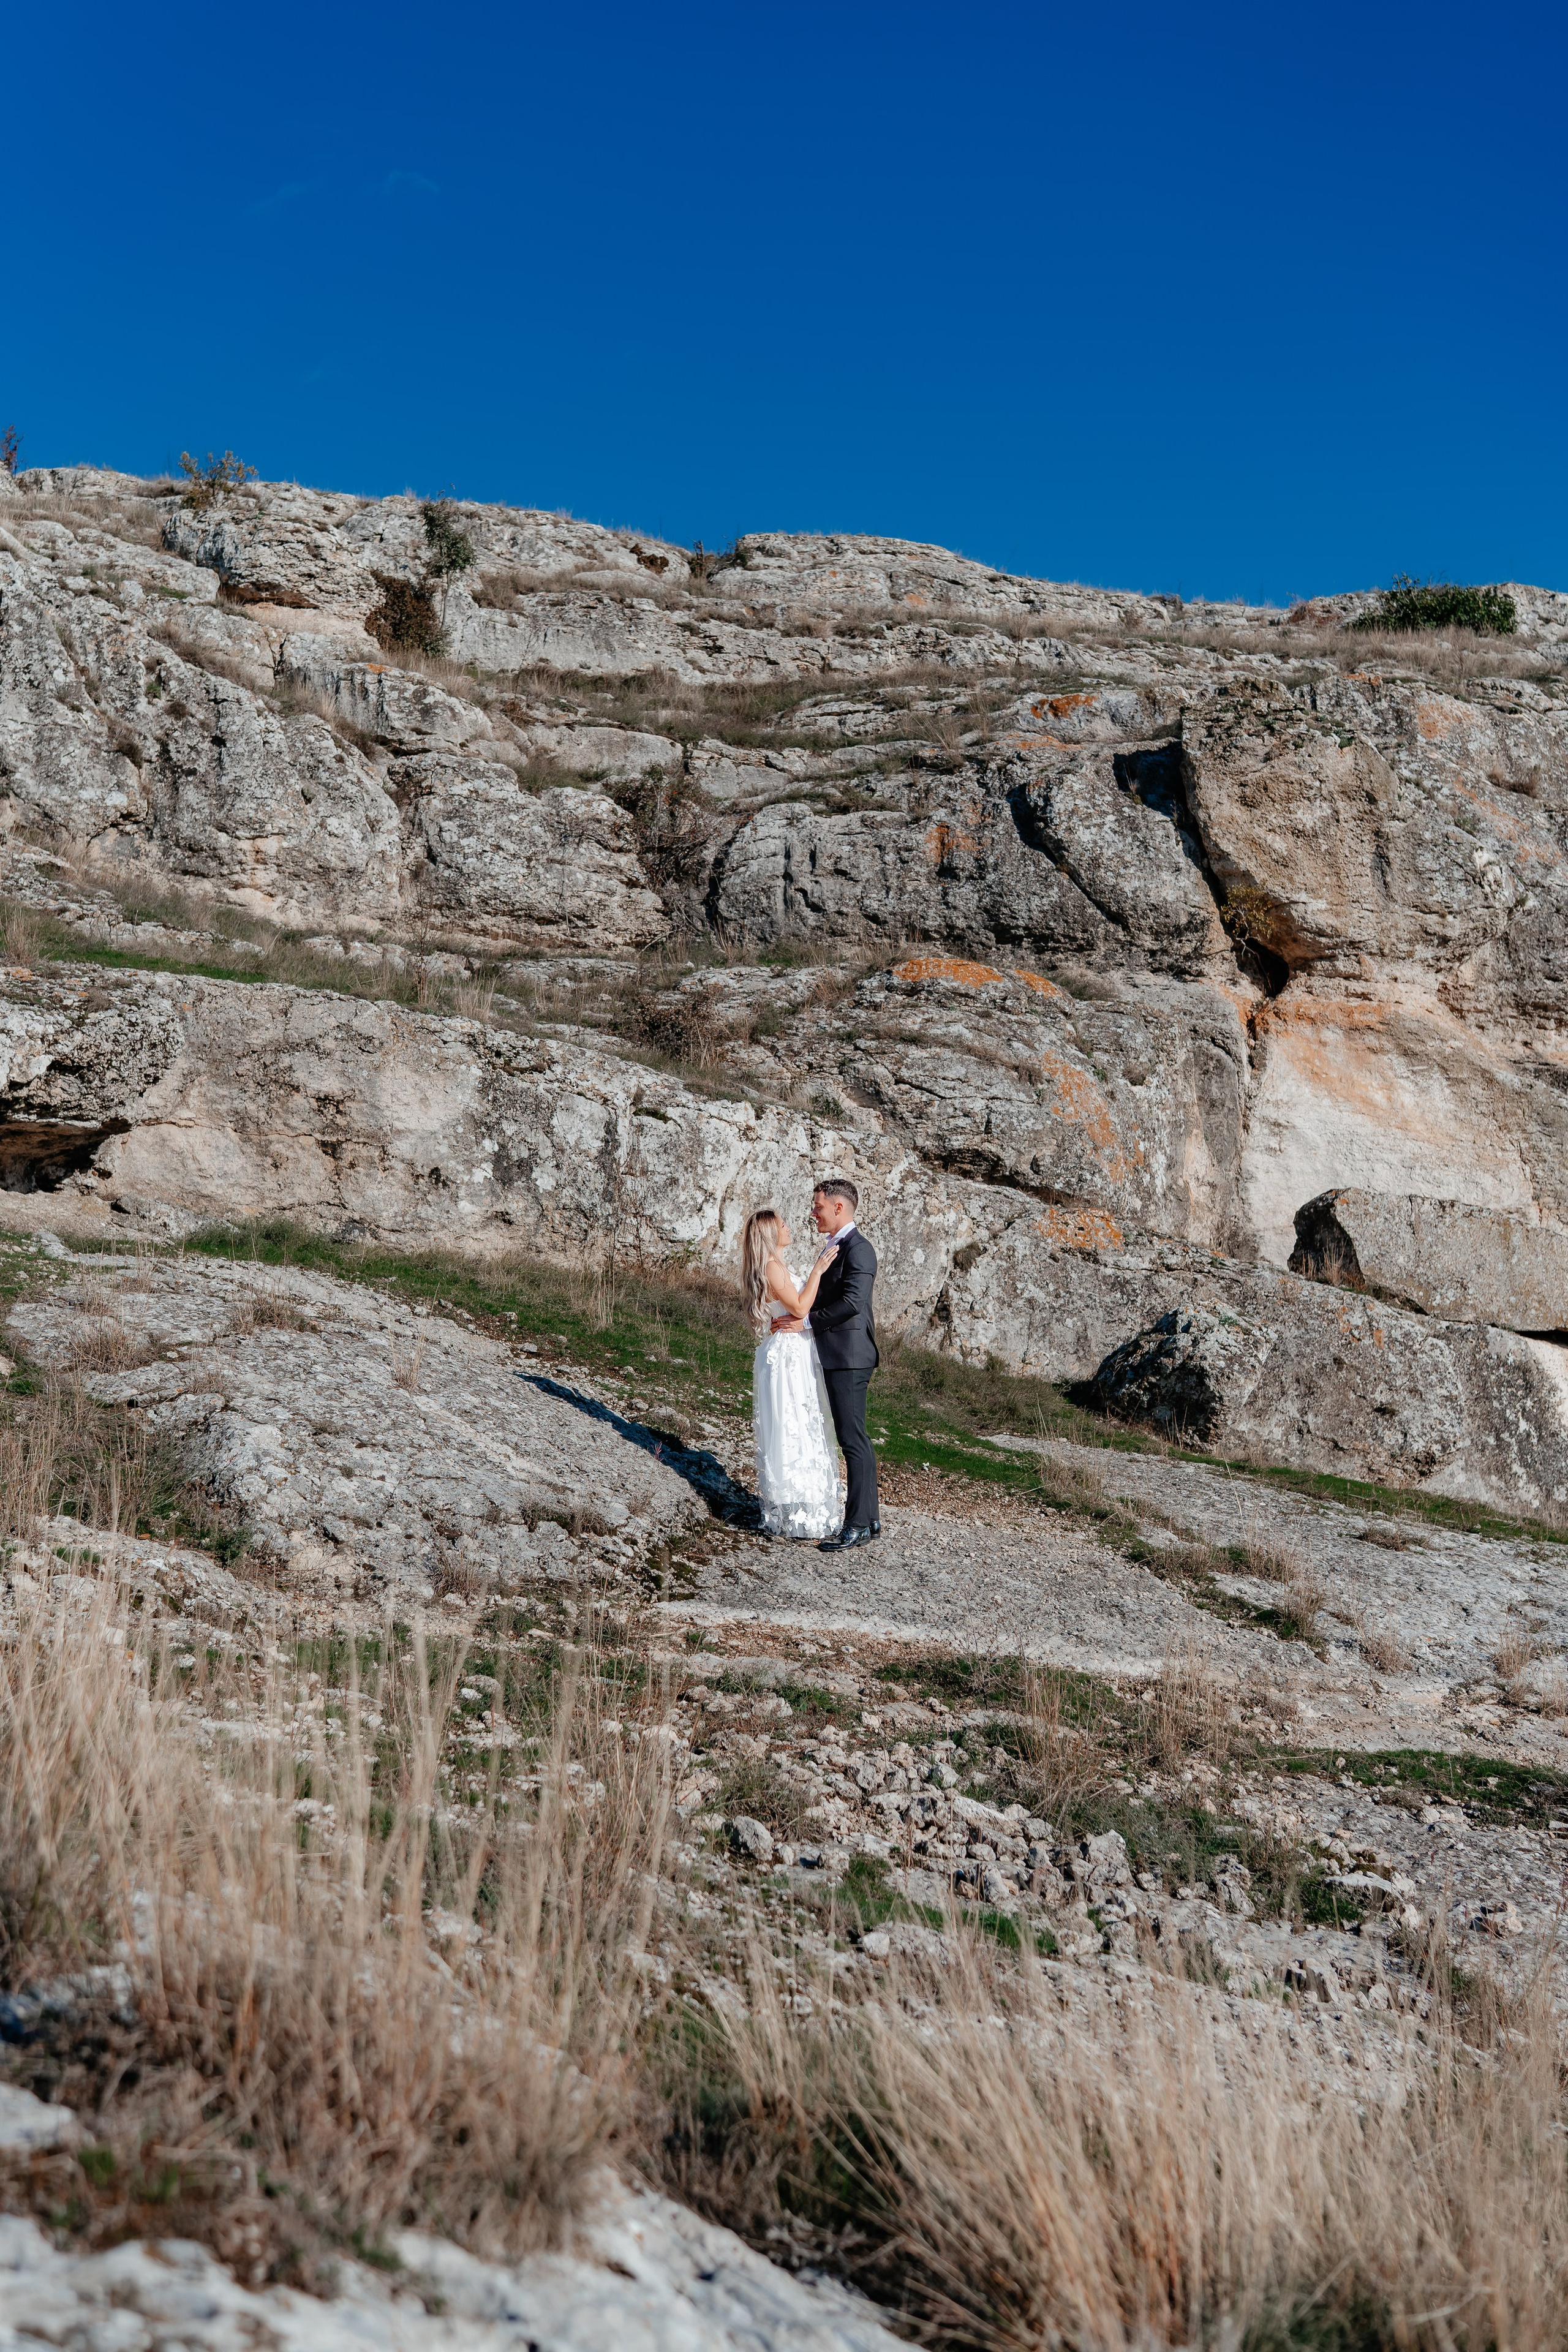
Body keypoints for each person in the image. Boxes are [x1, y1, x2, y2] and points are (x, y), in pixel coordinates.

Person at [741, 1207, 843, 1540]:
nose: (788, 1227)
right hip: (786, 1354)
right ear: (771, 1234)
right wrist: (817, 1271)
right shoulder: (771, 1266)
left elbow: (800, 1307)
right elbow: (799, 1308)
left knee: (803, 1420)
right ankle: (795, 1509)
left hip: (794, 1348)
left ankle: (805, 1506)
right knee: (792, 1422)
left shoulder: (776, 1266)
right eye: (782, 1224)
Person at [805, 1177, 880, 1552]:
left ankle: (855, 1525)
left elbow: (852, 1302)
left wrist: (806, 1322)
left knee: (852, 1440)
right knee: (856, 1439)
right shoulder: (837, 1245)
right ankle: (870, 1520)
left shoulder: (859, 1249)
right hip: (839, 1354)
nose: (812, 1212)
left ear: (838, 1208)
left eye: (818, 1206)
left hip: (849, 1357)